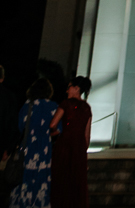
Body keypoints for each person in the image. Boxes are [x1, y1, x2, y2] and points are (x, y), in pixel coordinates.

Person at [9, 77, 59, 208]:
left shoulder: (27, 106)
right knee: (41, 178)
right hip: (44, 150)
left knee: (24, 177)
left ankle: (23, 203)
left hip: (27, 148)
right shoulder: (53, 107)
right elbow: (59, 128)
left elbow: (20, 127)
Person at [50, 77, 91, 208]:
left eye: (69, 87)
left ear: (76, 88)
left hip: (65, 145)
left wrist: (55, 132)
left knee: (61, 180)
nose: (67, 90)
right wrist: (83, 152)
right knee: (76, 182)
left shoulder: (66, 104)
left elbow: (53, 124)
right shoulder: (86, 107)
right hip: (79, 147)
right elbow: (87, 135)